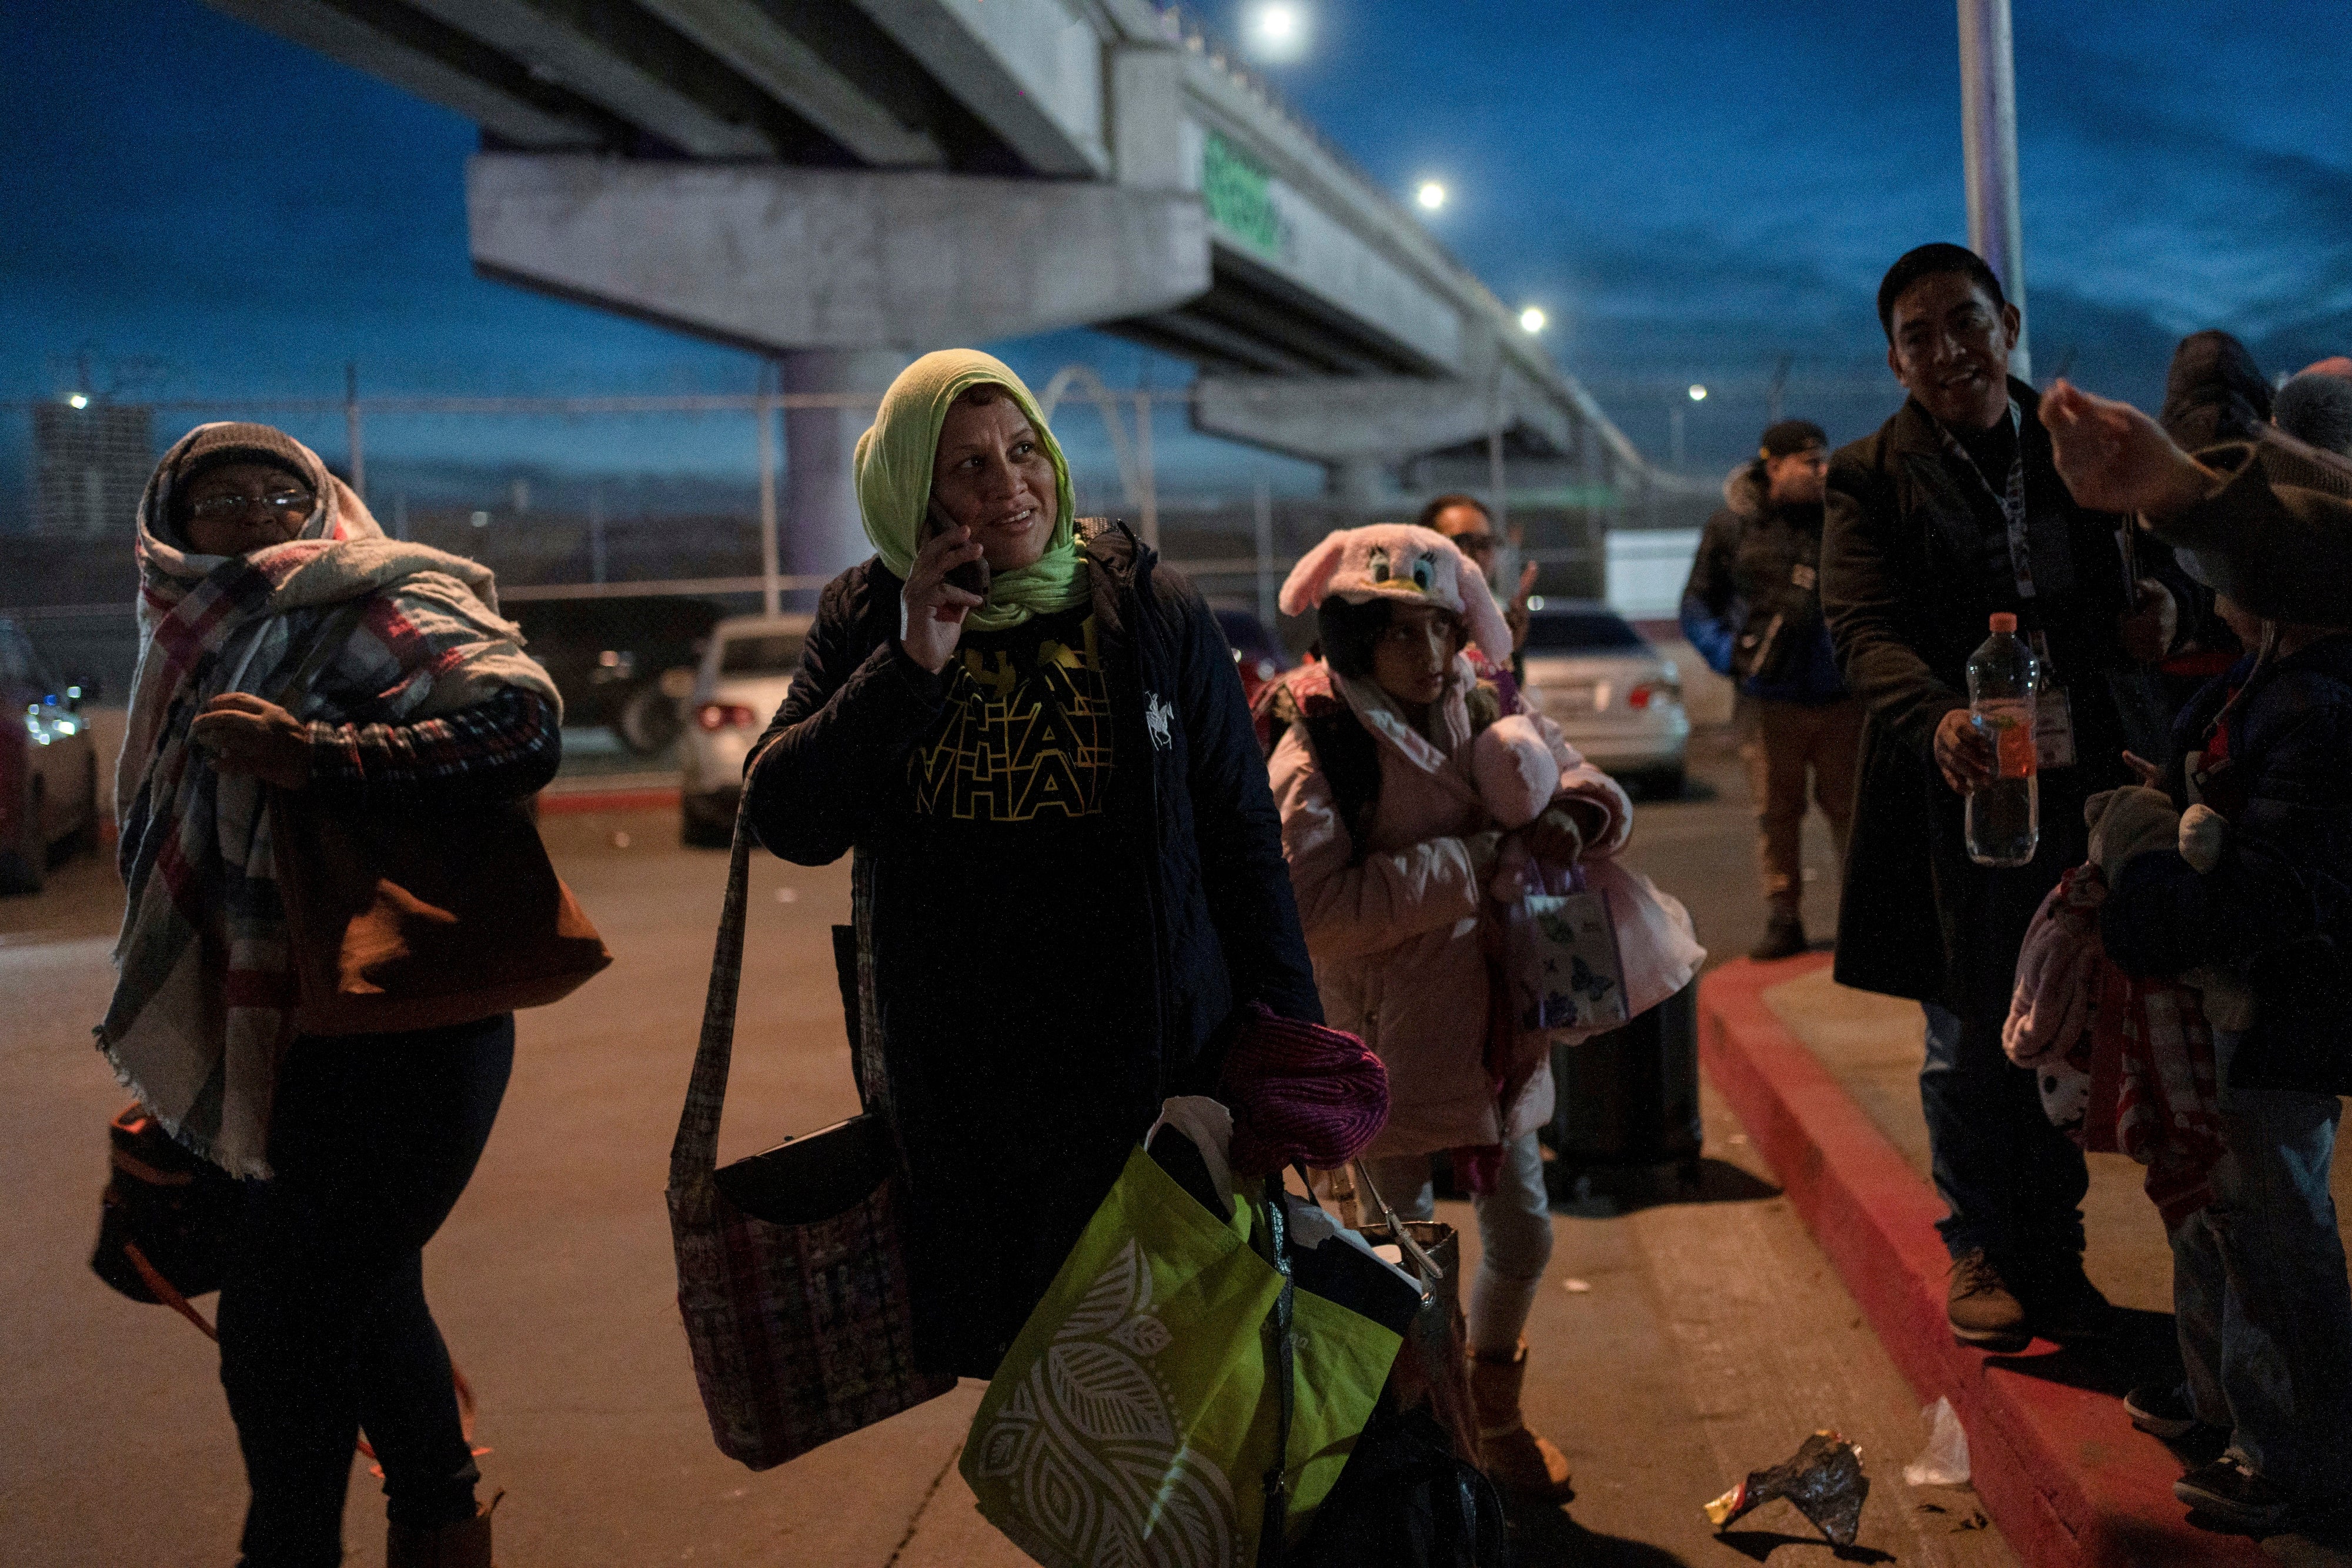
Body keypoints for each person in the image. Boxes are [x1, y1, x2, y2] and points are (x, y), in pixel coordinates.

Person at [741, 350, 1322, 1379]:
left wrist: (1291, 1050)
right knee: (1039, 1386)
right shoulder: (868, 613)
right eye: (967, 466)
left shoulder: (1152, 606)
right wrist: (911, 663)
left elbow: (1239, 836)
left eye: (1023, 451)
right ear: (914, 491)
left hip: (1148, 1071)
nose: (1009, 484)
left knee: (1181, 1369)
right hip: (964, 1092)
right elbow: (788, 816)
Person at [102, 423, 563, 1568]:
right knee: (367, 1295)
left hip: (411, 1025)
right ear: (172, 526)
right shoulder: (184, 634)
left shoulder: (365, 594)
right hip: (283, 1034)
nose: (256, 513)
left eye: (278, 489)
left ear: (320, 506)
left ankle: (293, 1545)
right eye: (225, 497)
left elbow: (522, 719)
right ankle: (440, 1522)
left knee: (278, 1328)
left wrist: (320, 753)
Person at [1820, 243, 2190, 1353]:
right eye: (1919, 335)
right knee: (1969, 1027)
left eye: (1965, 323)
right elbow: (1861, 626)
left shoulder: (2081, 448)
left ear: (2009, 322)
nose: (1948, 351)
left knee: (2064, 1019)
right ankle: (1978, 1241)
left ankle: (2055, 1251)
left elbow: (2159, 580)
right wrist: (1937, 714)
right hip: (1958, 791)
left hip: (2077, 785)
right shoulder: (1869, 474)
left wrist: (2160, 615)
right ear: (1894, 361)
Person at [1266, 523, 1633, 1502]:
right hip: (1386, 1052)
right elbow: (1316, 914)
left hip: (1502, 1035)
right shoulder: (1320, 745)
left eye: (1441, 629)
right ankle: (1431, 1446)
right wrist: (1469, 864)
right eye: (1400, 636)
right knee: (1402, 1259)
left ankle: (1494, 1413)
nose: (1429, 657)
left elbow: (1582, 773)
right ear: (1353, 637)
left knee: (1526, 1238)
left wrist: (1578, 811)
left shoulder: (1487, 699)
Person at [2042, 377, 2352, 1531]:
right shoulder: (2274, 679)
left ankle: (2295, 1456)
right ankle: (2223, 1403)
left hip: (2275, 1018)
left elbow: (2264, 895)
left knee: (2274, 1239)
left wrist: (2141, 868)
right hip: (2234, 1017)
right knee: (2219, 1217)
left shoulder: (2316, 706)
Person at [1679, 419, 1863, 959]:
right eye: (1810, 461)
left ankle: (1861, 919)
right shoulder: (1733, 526)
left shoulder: (1845, 520)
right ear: (1774, 466)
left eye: (1824, 459)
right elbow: (1696, 604)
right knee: (1775, 814)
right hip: (1768, 700)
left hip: (1843, 697)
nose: (1822, 470)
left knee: (1852, 812)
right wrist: (1729, 655)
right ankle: (1785, 917)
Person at [1419, 493, 1538, 666]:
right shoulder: (1414, 617)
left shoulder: (1496, 614)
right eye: (1461, 542)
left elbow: (1506, 691)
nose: (1475, 555)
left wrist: (1509, 651)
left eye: (1485, 543)